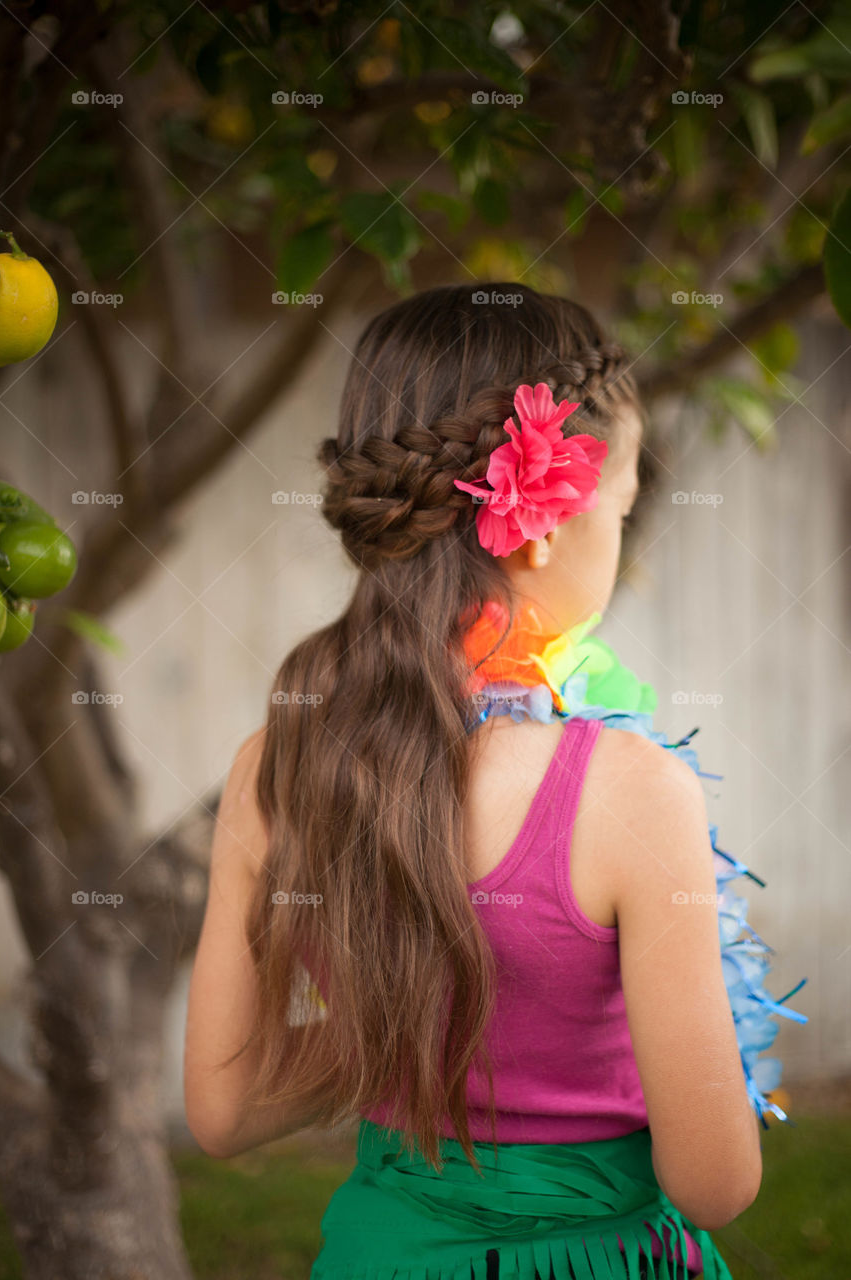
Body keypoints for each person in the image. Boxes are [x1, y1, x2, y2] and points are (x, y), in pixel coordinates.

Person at [184, 284, 763, 1279]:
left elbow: (223, 1106)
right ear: (539, 521)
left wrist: (411, 1021)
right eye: (618, 510)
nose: (619, 542)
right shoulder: (631, 789)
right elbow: (716, 1178)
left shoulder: (273, 764)